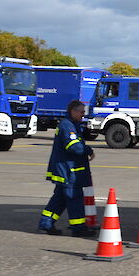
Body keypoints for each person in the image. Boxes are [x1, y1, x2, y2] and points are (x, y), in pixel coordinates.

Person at [39, 100, 96, 236]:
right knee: (74, 198)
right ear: (73, 111)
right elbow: (73, 146)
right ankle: (78, 228)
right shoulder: (67, 125)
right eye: (81, 112)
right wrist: (88, 150)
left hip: (66, 170)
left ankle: (46, 223)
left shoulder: (71, 124)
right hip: (68, 171)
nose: (83, 115)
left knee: (60, 199)